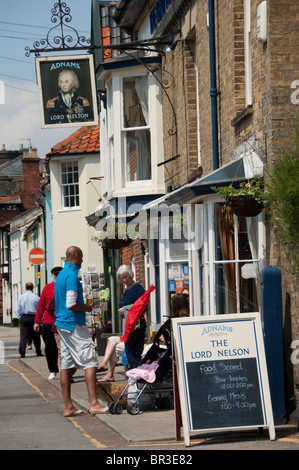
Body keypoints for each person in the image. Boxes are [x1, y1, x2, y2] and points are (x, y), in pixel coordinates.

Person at [54, 246, 107, 417]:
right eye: (81, 257)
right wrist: (86, 307)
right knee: (90, 360)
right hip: (74, 324)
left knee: (67, 365)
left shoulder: (61, 274)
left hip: (62, 325)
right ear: (75, 256)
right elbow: (70, 303)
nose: (83, 260)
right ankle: (94, 404)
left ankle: (68, 407)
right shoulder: (71, 276)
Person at [97, 265, 145, 382]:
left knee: (134, 355)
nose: (124, 280)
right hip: (128, 326)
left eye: (126, 277)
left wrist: (125, 309)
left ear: (131, 275)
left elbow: (143, 305)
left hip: (136, 327)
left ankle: (137, 381)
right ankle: (133, 380)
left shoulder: (138, 288)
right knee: (129, 354)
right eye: (121, 278)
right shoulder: (127, 289)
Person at [34, 267, 62, 380]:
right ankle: (53, 370)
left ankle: (66, 373)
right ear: (52, 275)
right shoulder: (47, 288)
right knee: (50, 349)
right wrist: (36, 322)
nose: (57, 276)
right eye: (55, 274)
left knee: (64, 350)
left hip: (63, 323)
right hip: (49, 323)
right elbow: (40, 306)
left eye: (59, 274)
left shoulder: (66, 287)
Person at [16, 282, 42, 358]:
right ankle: (38, 351)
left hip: (24, 317)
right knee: (36, 335)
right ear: (32, 288)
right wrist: (40, 319)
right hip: (34, 317)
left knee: (23, 336)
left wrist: (20, 317)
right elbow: (39, 309)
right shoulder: (36, 297)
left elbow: (18, 308)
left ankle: (22, 352)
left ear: (25, 288)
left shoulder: (21, 297)